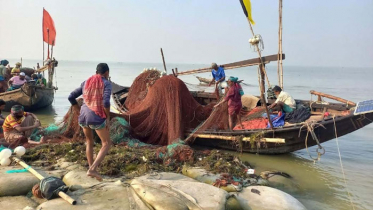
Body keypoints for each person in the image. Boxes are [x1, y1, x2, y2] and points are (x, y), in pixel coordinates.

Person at [68, 63, 112, 181]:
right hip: (96, 116)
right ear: (107, 73)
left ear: (96, 72)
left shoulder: (86, 82)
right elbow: (106, 103)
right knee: (106, 143)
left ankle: (92, 169)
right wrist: (107, 117)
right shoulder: (106, 83)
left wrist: (77, 109)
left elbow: (71, 96)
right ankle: (92, 169)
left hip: (83, 117)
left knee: (89, 141)